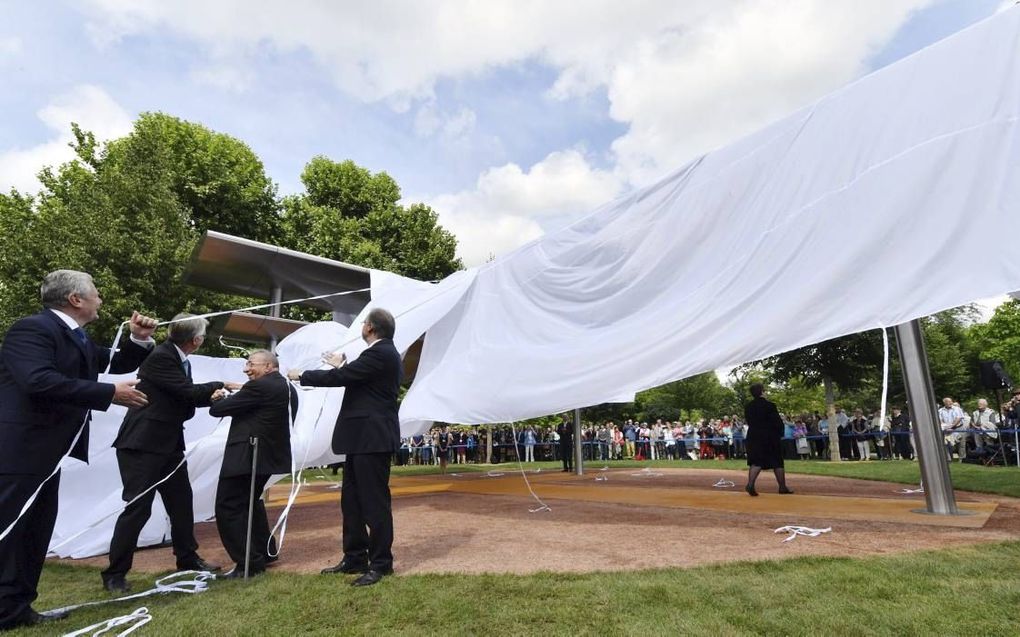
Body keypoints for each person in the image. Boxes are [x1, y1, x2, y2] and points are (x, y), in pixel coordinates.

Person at [0, 270, 155, 630]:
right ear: (75, 299)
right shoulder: (33, 329)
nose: (101, 299)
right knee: (10, 531)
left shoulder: (76, 336)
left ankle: (15, 608)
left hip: (46, 455)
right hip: (20, 450)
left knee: (34, 533)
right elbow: (36, 380)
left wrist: (138, 338)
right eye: (96, 293)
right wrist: (109, 394)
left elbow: (111, 361)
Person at [102, 314, 225, 593]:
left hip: (168, 444)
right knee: (137, 508)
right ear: (196, 340)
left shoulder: (179, 358)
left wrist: (209, 395)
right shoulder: (162, 356)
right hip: (142, 444)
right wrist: (219, 385)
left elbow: (183, 398)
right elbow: (185, 392)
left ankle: (187, 558)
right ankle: (115, 573)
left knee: (181, 503)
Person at [289, 308, 401, 587]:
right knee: (351, 501)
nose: (361, 326)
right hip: (362, 439)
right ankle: (354, 557)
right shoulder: (381, 355)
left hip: (371, 439)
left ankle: (380, 564)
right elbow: (356, 376)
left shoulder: (380, 353)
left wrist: (302, 375)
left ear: (371, 328)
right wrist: (342, 364)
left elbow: (343, 378)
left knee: (374, 503)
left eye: (363, 323)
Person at [209, 350, 297, 578]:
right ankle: (264, 553)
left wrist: (218, 398)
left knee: (228, 507)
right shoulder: (288, 388)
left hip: (246, 456)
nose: (246, 369)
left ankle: (248, 562)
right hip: (268, 456)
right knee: (251, 503)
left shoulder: (258, 387)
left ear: (269, 366)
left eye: (251, 364)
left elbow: (218, 410)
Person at [743, 383, 792, 496]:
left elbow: (750, 422)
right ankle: (782, 487)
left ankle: (750, 484)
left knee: (756, 461)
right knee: (777, 462)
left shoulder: (748, 406)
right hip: (770, 436)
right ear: (762, 392)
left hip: (754, 436)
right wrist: (780, 433)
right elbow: (777, 421)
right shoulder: (770, 405)